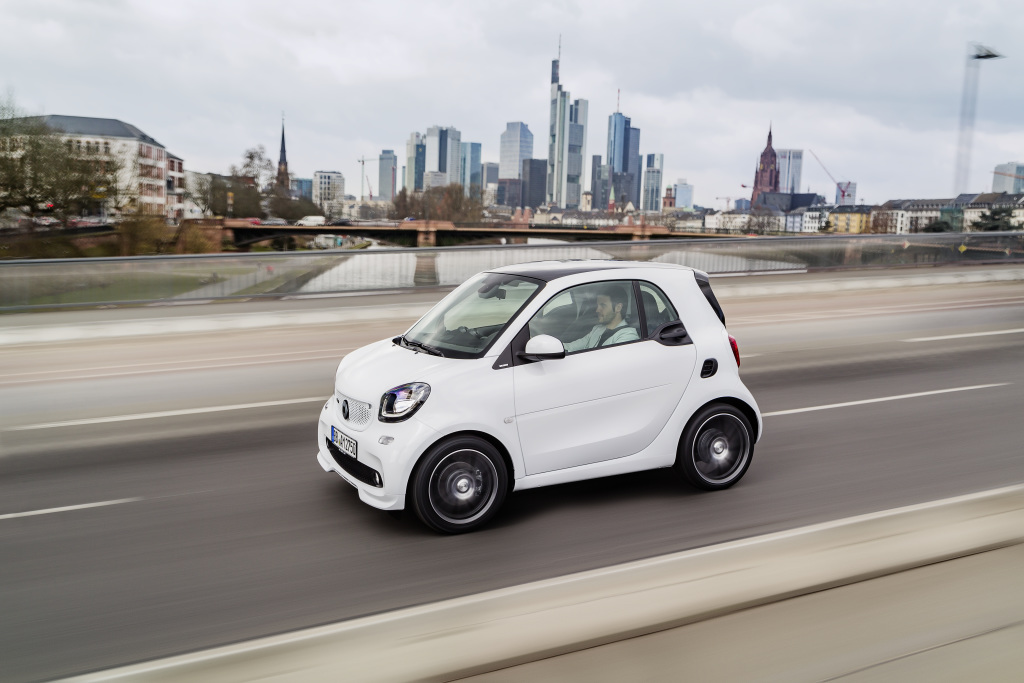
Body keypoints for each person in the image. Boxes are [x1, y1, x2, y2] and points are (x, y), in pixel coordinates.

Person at [563, 285, 639, 352]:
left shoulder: (628, 337)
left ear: (618, 308)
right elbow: (571, 347)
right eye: (598, 305)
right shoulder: (597, 329)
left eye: (603, 305)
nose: (597, 310)